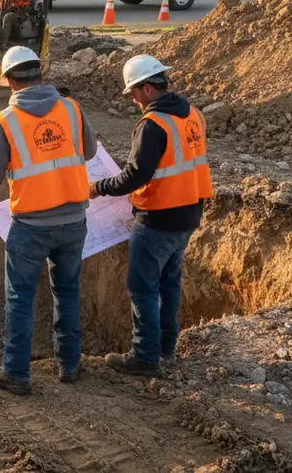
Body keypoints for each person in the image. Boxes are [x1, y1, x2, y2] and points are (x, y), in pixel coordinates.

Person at [0, 46, 97, 394]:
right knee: (67, 291)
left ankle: (16, 374)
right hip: (73, 222)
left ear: (9, 81)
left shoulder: (5, 121)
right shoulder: (70, 108)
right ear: (41, 72)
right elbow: (90, 151)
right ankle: (69, 365)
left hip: (31, 226)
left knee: (20, 296)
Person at [91, 55, 211, 377]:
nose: (132, 98)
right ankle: (165, 352)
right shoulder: (193, 115)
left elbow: (135, 175)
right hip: (188, 215)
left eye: (133, 91)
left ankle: (144, 357)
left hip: (158, 218)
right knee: (169, 284)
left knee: (142, 288)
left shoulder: (153, 124)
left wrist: (99, 187)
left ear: (147, 88)